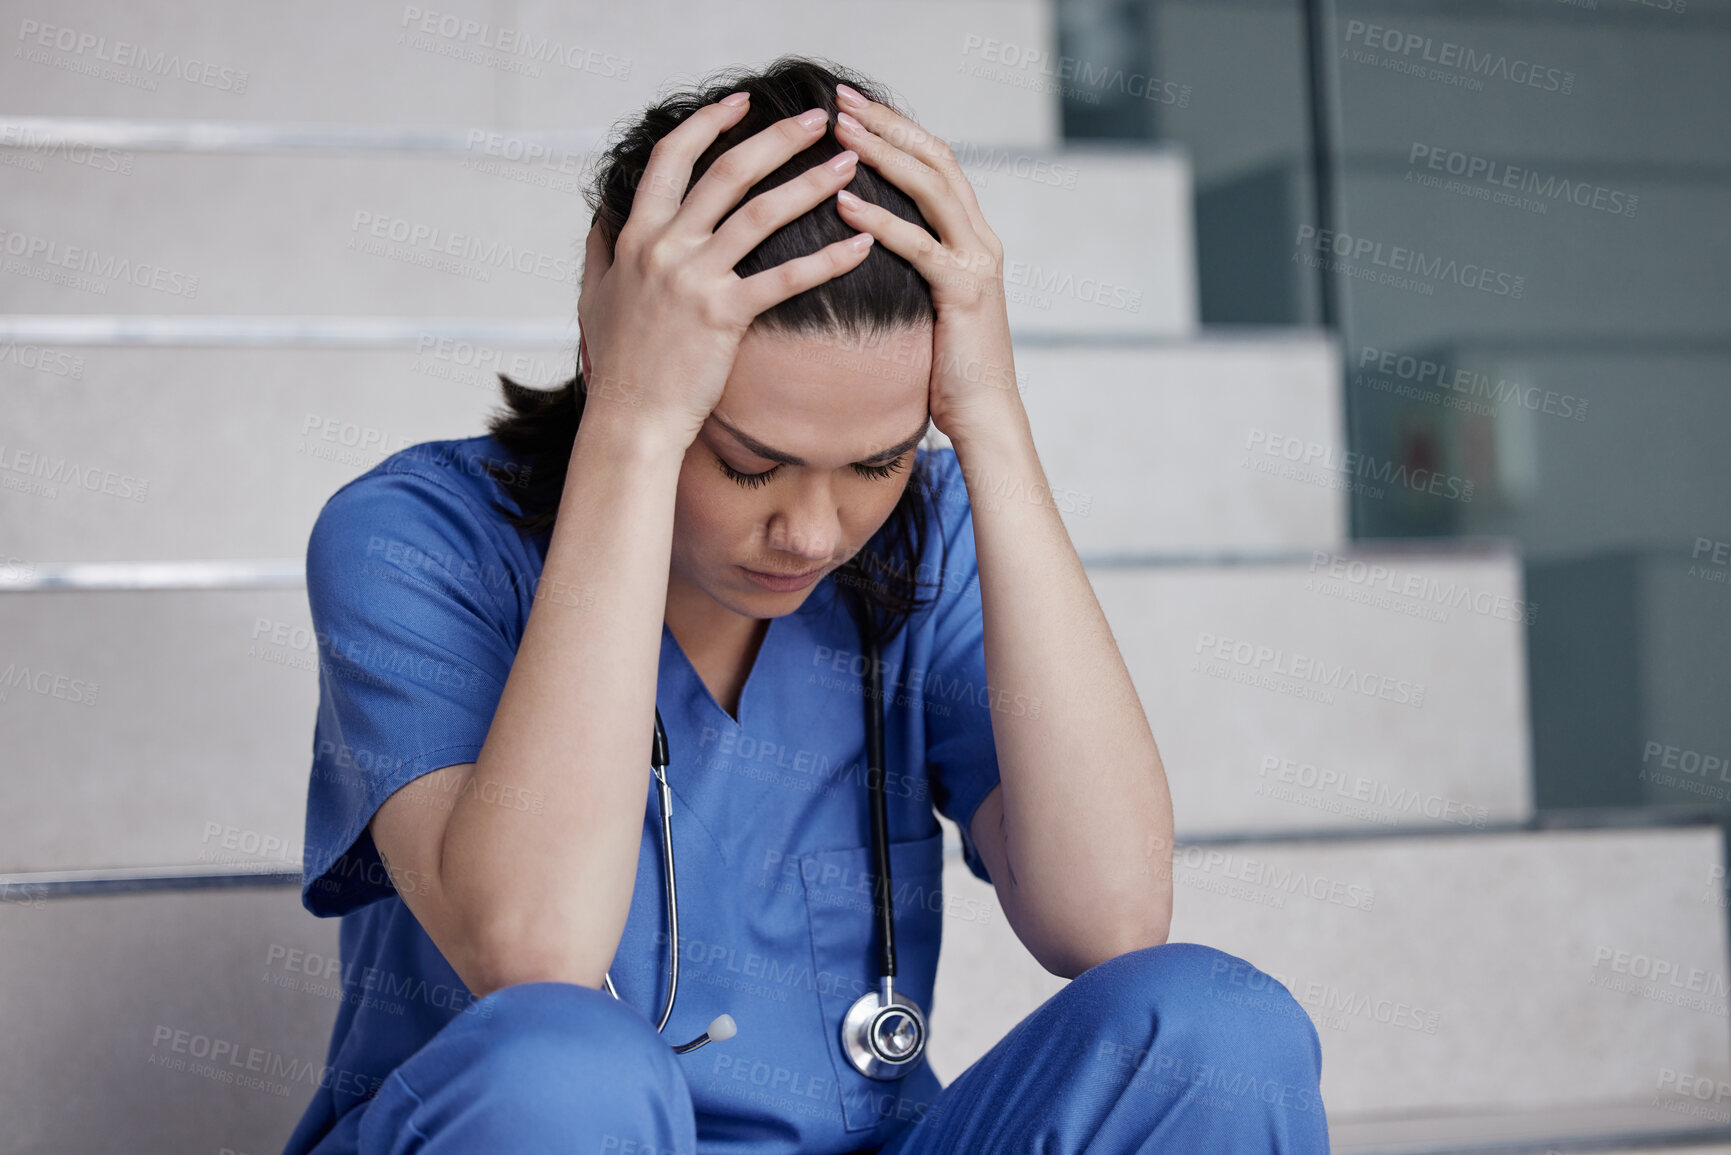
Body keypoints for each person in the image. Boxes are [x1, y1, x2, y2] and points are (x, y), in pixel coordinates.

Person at [283, 55, 1328, 1155]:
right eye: (747, 465)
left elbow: (1109, 918)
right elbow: (531, 953)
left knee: (1220, 1033)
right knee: (566, 1068)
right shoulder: (415, 540)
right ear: (607, 317)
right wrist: (634, 425)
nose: (816, 535)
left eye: (876, 463)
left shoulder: (931, 540)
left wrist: (989, 421)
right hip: (531, 1130)